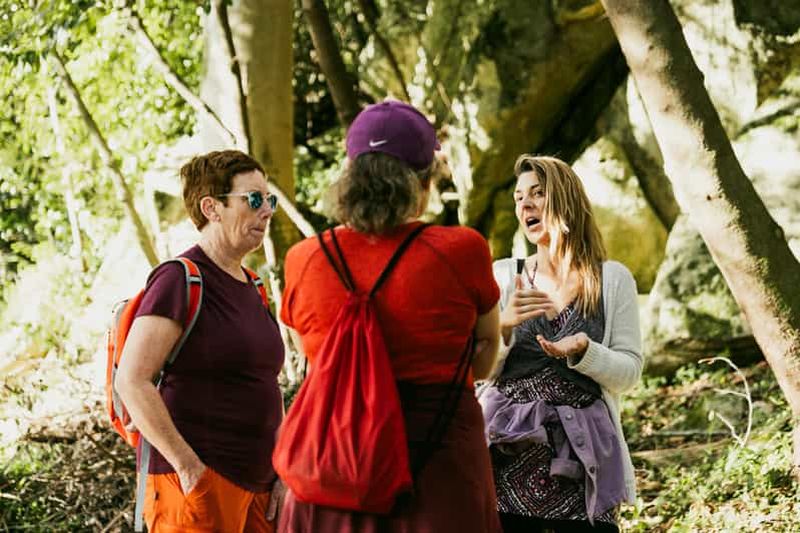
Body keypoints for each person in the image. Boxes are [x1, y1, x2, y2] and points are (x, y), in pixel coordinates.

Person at [277, 100, 503, 532]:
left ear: (351, 177)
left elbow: (310, 347)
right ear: (423, 182)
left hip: (334, 466)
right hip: (438, 467)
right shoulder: (461, 250)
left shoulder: (304, 259)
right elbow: (486, 348)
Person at [115, 150, 285, 532]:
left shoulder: (255, 287)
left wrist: (283, 467)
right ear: (212, 208)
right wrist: (188, 466)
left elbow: (265, 385)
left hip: (260, 488)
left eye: (269, 200)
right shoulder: (180, 279)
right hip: (199, 485)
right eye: (254, 199)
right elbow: (132, 380)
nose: (267, 211)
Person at [478, 155, 643, 532]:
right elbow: (476, 372)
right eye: (519, 198)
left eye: (538, 193)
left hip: (585, 467)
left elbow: (630, 372)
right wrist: (503, 326)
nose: (526, 205)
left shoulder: (612, 279)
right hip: (505, 462)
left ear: (566, 199)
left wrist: (586, 351)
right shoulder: (504, 275)